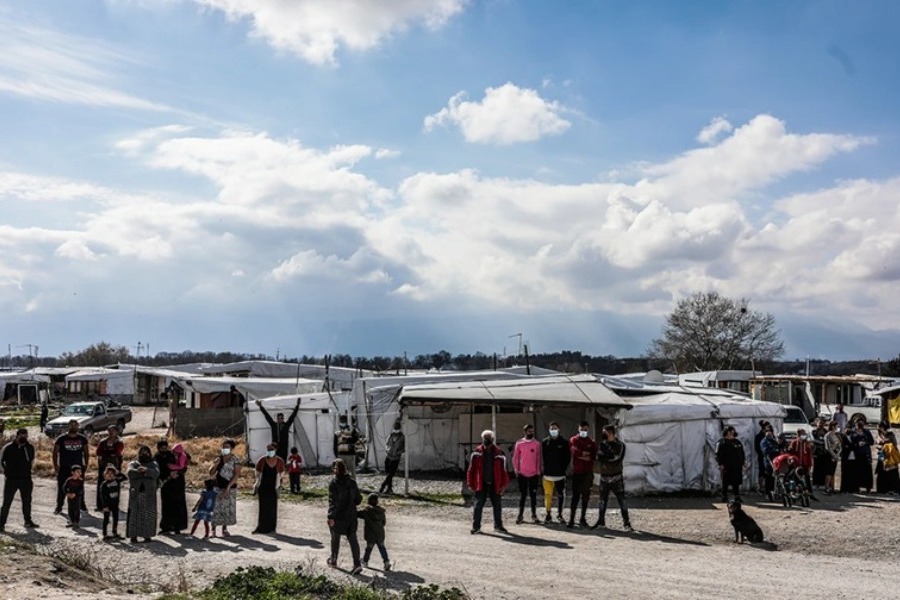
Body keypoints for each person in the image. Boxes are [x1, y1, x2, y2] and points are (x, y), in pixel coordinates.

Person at [466, 429, 510, 534]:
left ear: (493, 439)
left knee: (497, 505)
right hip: (481, 483)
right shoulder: (476, 453)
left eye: (489, 438)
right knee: (478, 505)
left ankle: (498, 526)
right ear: (482, 439)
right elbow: (470, 469)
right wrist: (470, 483)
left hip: (495, 483)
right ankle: (476, 527)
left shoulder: (500, 453)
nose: (487, 440)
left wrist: (504, 485)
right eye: (485, 438)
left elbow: (505, 471)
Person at [326, 458, 363, 575]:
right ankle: (357, 563)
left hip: (338, 515)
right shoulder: (352, 482)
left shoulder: (334, 483)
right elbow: (358, 500)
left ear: (334, 470)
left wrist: (331, 516)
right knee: (353, 539)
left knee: (335, 538)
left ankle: (333, 560)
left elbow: (333, 502)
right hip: (351, 515)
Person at [593, 425, 633, 531]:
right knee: (602, 501)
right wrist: (607, 457)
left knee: (622, 501)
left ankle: (626, 523)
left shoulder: (620, 445)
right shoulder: (603, 444)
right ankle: (601, 522)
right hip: (604, 478)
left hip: (616, 478)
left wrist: (605, 458)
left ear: (613, 434)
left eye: (607, 433)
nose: (605, 435)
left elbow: (617, 459)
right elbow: (598, 457)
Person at [0, 428, 39, 532]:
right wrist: (7, 472)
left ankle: (28, 521)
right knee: (7, 502)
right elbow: (1, 462)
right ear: (17, 436)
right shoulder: (8, 448)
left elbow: (31, 461)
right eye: (21, 436)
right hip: (11, 479)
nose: (24, 438)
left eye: (25, 436)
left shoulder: (29, 447)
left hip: (26, 479)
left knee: (27, 501)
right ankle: (1, 523)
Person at [53, 420, 89, 515]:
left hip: (78, 467)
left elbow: (86, 452)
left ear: (78, 426)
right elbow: (55, 452)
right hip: (64, 467)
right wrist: (56, 466)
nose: (73, 426)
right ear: (68, 426)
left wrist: (86, 464)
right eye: (71, 425)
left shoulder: (82, 439)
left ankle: (82, 505)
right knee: (62, 487)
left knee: (79, 486)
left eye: (75, 425)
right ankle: (59, 506)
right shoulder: (61, 439)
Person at [126, 445, 160, 543]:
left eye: (146, 452)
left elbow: (156, 473)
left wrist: (146, 471)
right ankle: (133, 536)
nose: (144, 454)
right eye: (142, 452)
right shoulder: (134, 463)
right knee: (134, 514)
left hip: (148, 493)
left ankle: (147, 535)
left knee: (148, 514)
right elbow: (130, 472)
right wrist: (138, 471)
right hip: (136, 493)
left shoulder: (153, 463)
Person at [155, 440, 189, 535]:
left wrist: (177, 473)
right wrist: (167, 475)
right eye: (162, 448)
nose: (164, 450)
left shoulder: (174, 454)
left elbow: (184, 465)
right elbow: (158, 470)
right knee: (166, 505)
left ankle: (178, 526)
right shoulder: (156, 457)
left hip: (177, 482)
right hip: (166, 483)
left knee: (178, 504)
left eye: (165, 448)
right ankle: (166, 526)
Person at [568, 421, 597, 528]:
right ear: (578, 429)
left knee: (585, 497)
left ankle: (582, 518)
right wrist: (586, 454)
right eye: (582, 429)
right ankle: (571, 519)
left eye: (585, 429)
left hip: (588, 473)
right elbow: (575, 452)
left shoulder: (591, 442)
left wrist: (582, 455)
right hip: (577, 473)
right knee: (575, 496)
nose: (583, 431)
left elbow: (593, 456)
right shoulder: (574, 440)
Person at [209, 439, 241, 537]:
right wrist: (216, 464)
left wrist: (228, 487)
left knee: (226, 508)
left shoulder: (235, 460)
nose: (224, 449)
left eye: (227, 447)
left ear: (231, 448)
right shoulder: (219, 458)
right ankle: (213, 529)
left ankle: (224, 528)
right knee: (216, 507)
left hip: (230, 486)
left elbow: (236, 475)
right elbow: (211, 473)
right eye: (223, 447)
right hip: (218, 486)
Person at [253, 442, 285, 534]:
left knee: (272, 508)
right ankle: (261, 528)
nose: (269, 451)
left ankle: (271, 528)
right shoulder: (262, 460)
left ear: (275, 450)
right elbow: (257, 472)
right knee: (263, 507)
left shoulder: (279, 461)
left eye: (271, 449)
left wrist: (279, 483)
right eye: (268, 449)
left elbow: (282, 473)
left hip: (274, 487)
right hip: (263, 486)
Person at [512, 423, 542, 524]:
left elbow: (538, 458)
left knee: (533, 495)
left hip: (534, 474)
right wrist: (516, 470)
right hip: (522, 474)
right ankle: (520, 515)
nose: (531, 433)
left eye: (532, 431)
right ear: (525, 432)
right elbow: (515, 458)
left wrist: (538, 471)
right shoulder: (519, 443)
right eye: (529, 431)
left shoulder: (537, 444)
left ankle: (534, 514)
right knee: (523, 495)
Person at [541, 421, 569, 524]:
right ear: (549, 430)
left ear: (559, 429)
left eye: (555, 428)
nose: (553, 430)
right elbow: (542, 457)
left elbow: (567, 458)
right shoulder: (545, 442)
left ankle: (560, 514)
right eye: (551, 428)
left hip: (560, 475)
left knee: (561, 494)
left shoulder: (564, 442)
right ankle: (548, 514)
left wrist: (563, 469)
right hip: (547, 475)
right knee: (548, 495)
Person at [358, 493, 391, 571]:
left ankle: (365, 561)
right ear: (377, 501)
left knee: (369, 548)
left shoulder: (367, 511)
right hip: (380, 533)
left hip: (370, 534)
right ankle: (386, 561)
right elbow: (384, 523)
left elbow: (357, 514)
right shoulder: (381, 511)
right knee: (382, 547)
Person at [95, 425, 124, 511]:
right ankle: (100, 505)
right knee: (101, 485)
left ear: (117, 431)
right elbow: (98, 452)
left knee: (114, 486)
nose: (111, 432)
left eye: (113, 430)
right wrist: (108, 453)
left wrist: (106, 452)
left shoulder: (119, 442)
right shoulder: (103, 441)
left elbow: (117, 452)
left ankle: (114, 505)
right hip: (103, 466)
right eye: (109, 430)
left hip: (115, 466)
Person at [716, 426, 746, 503]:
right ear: (727, 432)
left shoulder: (737, 442)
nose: (733, 432)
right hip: (726, 465)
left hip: (737, 465)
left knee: (736, 481)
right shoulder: (722, 442)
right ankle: (724, 496)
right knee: (725, 482)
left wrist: (743, 462)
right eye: (731, 431)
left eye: (733, 431)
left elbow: (742, 453)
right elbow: (718, 454)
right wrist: (720, 464)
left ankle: (737, 496)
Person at [98, 466, 127, 539]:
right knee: (106, 519)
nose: (110, 475)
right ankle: (105, 534)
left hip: (115, 503)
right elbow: (102, 496)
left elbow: (124, 477)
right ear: (104, 475)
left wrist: (117, 471)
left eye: (112, 473)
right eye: (108, 473)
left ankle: (115, 532)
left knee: (116, 518)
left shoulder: (116, 481)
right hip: (107, 504)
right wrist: (104, 506)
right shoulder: (104, 484)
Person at [378, 419, 405, 495]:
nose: (396, 428)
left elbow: (404, 448)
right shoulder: (391, 435)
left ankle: (382, 486)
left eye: (397, 427)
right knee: (388, 474)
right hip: (388, 456)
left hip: (396, 458)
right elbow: (387, 444)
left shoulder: (402, 437)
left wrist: (398, 452)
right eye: (395, 426)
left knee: (391, 474)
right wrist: (387, 450)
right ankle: (389, 488)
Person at [788, 428, 816, 499]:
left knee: (807, 479)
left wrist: (809, 466)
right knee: (795, 479)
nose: (803, 435)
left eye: (803, 433)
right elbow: (790, 453)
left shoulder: (806, 443)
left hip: (805, 465)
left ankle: (810, 493)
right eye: (801, 434)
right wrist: (793, 460)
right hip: (796, 465)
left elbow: (809, 455)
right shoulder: (794, 442)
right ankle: (796, 492)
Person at [849, 419, 875, 493]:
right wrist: (857, 443)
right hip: (857, 454)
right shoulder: (853, 432)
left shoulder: (866, 432)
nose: (860, 424)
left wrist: (865, 442)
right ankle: (857, 487)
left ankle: (868, 487)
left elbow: (872, 441)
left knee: (867, 471)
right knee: (857, 471)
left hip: (865, 453)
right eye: (858, 423)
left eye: (861, 423)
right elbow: (850, 441)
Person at [875, 422, 900, 494]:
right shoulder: (879, 435)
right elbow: (878, 443)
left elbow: (893, 444)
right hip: (882, 455)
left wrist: (884, 443)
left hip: (890, 456)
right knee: (881, 471)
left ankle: (894, 489)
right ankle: (883, 489)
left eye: (879, 427)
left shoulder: (890, 434)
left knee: (892, 473)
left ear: (882, 427)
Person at [759, 426, 781, 501]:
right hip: (769, 462)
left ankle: (776, 491)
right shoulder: (764, 441)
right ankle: (768, 493)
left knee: (776, 478)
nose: (769, 433)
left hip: (777, 461)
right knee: (769, 478)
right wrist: (775, 451)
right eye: (767, 431)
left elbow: (779, 448)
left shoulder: (774, 440)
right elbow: (765, 451)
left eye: (770, 431)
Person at [822, 421, 842, 494]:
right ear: (833, 426)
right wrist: (833, 455)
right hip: (829, 455)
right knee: (828, 472)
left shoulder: (836, 435)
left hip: (835, 455)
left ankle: (832, 487)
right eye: (836, 426)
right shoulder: (828, 435)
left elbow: (839, 446)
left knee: (832, 472)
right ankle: (826, 487)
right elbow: (828, 447)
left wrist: (837, 455)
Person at [810, 418, 828, 488]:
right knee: (816, 468)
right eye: (819, 423)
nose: (820, 424)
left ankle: (822, 483)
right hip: (816, 452)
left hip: (824, 452)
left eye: (822, 423)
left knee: (823, 468)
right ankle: (815, 483)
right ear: (816, 423)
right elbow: (813, 440)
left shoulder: (826, 432)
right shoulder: (814, 432)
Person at [754, 420, 770, 493]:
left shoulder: (770, 435)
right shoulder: (758, 436)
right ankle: (761, 487)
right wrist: (763, 454)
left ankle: (768, 487)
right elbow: (757, 448)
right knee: (762, 472)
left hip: (770, 457)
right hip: (762, 456)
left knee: (769, 472)